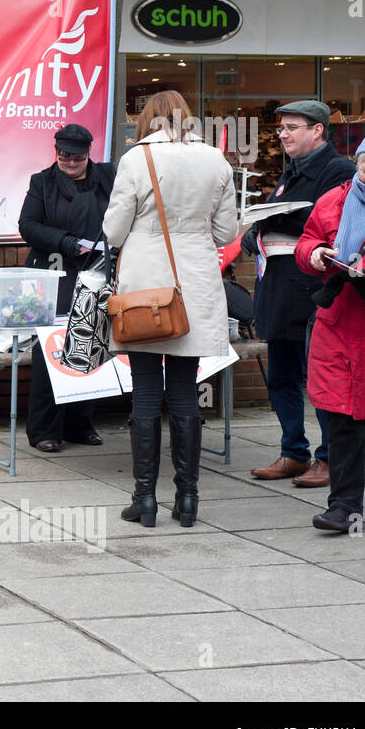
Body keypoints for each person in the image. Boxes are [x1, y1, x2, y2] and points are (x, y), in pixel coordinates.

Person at [103, 90, 238, 529]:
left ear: (147, 119)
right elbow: (225, 232)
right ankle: (188, 498)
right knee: (184, 391)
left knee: (144, 391)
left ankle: (144, 499)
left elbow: (114, 229)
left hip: (145, 284)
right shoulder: (215, 160)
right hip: (194, 283)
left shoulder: (136, 159)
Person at [296, 126, 365, 532]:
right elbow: (306, 243)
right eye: (364, 171)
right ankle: (343, 506)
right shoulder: (335, 200)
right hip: (340, 329)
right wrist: (317, 255)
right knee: (344, 424)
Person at [241, 101, 353, 489]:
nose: (283, 135)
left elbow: (329, 224)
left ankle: (328, 458)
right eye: (281, 128)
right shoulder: (292, 171)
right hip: (277, 287)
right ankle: (293, 452)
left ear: (318, 130)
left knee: (317, 378)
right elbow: (274, 216)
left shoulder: (339, 171)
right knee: (281, 377)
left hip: (309, 289)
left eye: (291, 127)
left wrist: (270, 218)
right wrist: (254, 232)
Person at [19, 123, 116, 453]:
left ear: (89, 153)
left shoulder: (108, 177)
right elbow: (28, 226)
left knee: (90, 344)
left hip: (96, 271)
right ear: (55, 152)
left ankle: (80, 424)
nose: (70, 163)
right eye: (63, 156)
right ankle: (44, 429)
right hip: (54, 273)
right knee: (51, 348)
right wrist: (67, 242)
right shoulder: (42, 182)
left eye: (76, 157)